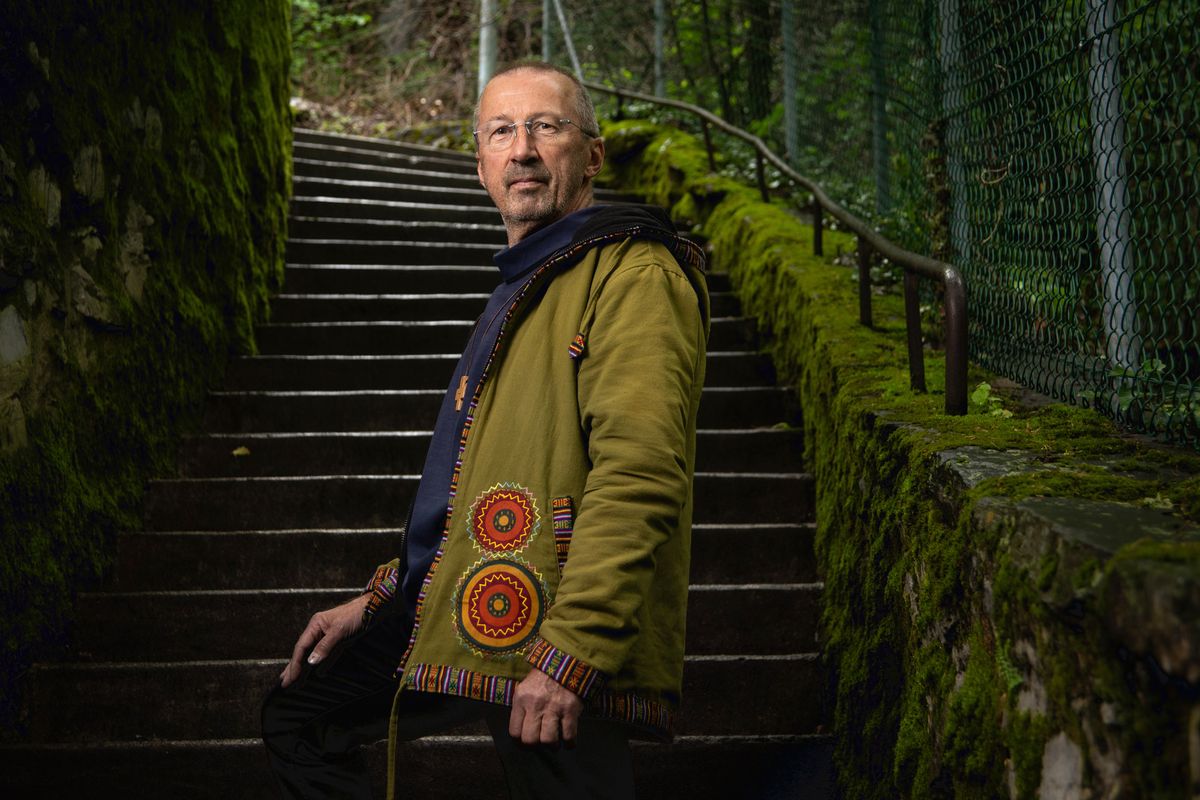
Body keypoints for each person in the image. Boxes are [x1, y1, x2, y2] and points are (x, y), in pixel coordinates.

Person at [262, 61, 709, 799]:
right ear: (480, 164)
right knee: (300, 713)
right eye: (502, 131)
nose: (523, 149)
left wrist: (572, 652)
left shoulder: (634, 274)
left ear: (593, 155)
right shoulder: (525, 284)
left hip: (555, 620)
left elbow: (641, 472)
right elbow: (469, 481)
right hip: (476, 604)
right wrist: (385, 596)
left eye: (546, 127)